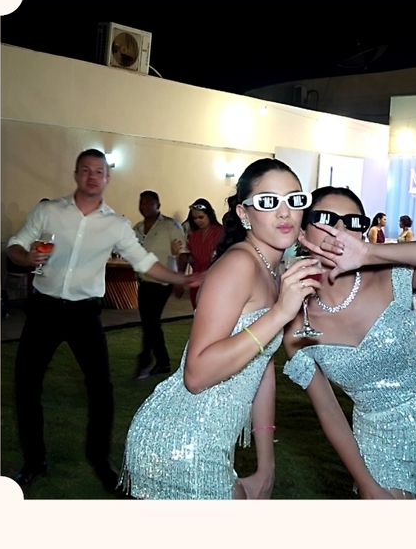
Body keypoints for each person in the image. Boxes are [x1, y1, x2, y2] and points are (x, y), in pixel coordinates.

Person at [120, 159, 322, 499]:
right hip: (181, 443)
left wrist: (266, 465)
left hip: (212, 442)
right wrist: (280, 313)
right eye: (268, 201)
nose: (284, 212)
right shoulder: (239, 264)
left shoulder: (274, 271)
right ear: (244, 214)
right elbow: (196, 374)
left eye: (294, 199)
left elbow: (261, 366)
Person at [6, 149, 199, 492]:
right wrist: (26, 257)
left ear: (107, 178)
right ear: (76, 174)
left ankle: (100, 459)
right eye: (85, 170)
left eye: (99, 171)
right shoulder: (49, 211)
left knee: (101, 389)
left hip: (84, 314)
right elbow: (15, 245)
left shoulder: (116, 225)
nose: (92, 177)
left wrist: (181, 278)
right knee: (26, 385)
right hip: (45, 310)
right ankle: (34, 461)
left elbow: (143, 261)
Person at [282, 186, 416, 498]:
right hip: (378, 441)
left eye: (352, 222)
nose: (339, 230)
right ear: (302, 231)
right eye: (326, 219)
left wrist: (371, 253)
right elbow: (328, 410)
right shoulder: (296, 321)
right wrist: (366, 483)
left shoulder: (390, 276)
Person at [132, 191, 189, 380]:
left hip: (163, 281)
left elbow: (182, 252)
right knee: (149, 322)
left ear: (158, 205)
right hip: (145, 280)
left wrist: (179, 278)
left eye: (149, 202)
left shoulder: (169, 225)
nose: (144, 206)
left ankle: (148, 360)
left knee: (151, 321)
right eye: (142, 202)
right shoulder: (138, 228)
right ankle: (158, 360)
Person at [182, 198, 224, 309]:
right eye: (195, 218)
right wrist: (178, 252)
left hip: (215, 277)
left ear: (209, 215)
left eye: (201, 217)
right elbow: (193, 258)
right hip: (197, 277)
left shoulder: (220, 232)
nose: (198, 221)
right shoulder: (194, 235)